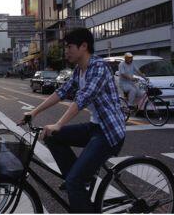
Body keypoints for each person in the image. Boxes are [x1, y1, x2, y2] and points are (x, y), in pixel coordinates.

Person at [20, 28, 125, 213]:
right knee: (51, 136)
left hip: (109, 133)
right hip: (95, 127)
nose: (65, 51)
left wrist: (59, 124)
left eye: (69, 47)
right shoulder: (79, 70)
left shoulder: (99, 67)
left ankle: (76, 183)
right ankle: (77, 180)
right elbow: (62, 92)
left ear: (84, 46)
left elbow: (82, 98)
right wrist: (33, 112)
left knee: (73, 182)